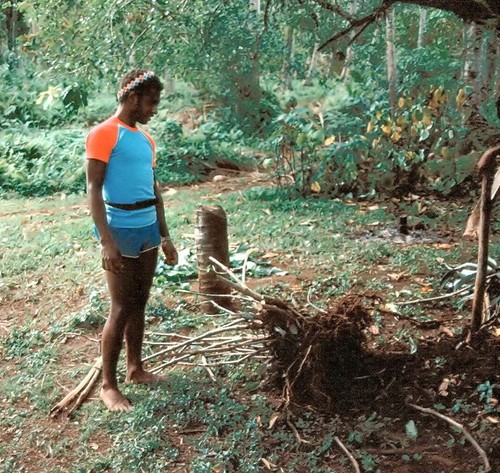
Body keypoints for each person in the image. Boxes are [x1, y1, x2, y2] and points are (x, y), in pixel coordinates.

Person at [85, 70, 178, 412]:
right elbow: (94, 188)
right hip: (119, 229)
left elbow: (153, 191)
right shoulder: (104, 134)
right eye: (152, 102)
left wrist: (165, 236)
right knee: (121, 307)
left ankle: (136, 368)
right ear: (133, 97)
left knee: (140, 302)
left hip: (147, 229)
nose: (154, 109)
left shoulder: (146, 140)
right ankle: (108, 386)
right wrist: (106, 241)